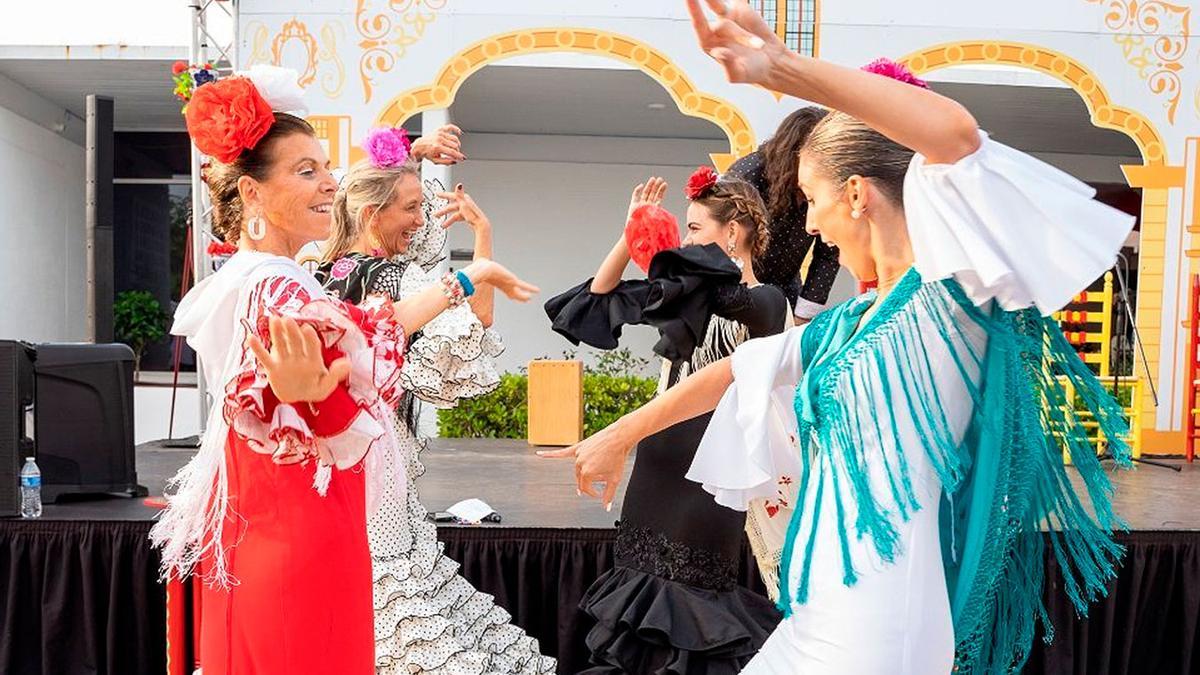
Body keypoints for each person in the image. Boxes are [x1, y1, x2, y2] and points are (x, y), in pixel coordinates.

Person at [555, 2, 1138, 673]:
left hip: (878, 631)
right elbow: (738, 368)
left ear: (857, 194)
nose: (808, 223)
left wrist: (782, 68)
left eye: (810, 198)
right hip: (818, 611)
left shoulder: (949, 300)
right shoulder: (853, 321)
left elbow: (956, 137)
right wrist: (616, 437)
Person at [150, 68, 536, 675]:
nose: (330, 182)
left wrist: (469, 277)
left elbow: (371, 329)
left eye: (326, 168)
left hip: (278, 517)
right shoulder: (276, 285)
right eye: (307, 171)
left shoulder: (265, 277)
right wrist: (328, 406)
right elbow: (310, 413)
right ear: (252, 192)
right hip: (300, 520)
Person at [315, 132, 556, 674]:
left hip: (327, 459)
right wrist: (484, 240)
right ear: (374, 213)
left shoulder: (319, 273)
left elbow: (355, 189)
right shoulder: (402, 278)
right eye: (411, 208)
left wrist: (412, 155)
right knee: (391, 586)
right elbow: (479, 320)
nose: (421, 220)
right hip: (377, 457)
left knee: (353, 583)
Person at [542, 171, 788, 673]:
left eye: (695, 228)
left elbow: (718, 296)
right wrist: (631, 231)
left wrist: (664, 262)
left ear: (733, 232)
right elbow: (598, 298)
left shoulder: (766, 301)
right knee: (638, 608)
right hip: (655, 465)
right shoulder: (686, 293)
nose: (686, 240)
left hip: (710, 475)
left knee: (689, 608)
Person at [726, 107, 840, 322]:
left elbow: (829, 252)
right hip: (735, 290)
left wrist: (803, 315)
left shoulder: (825, 183)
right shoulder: (747, 175)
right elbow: (722, 238)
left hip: (787, 292)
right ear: (794, 152)